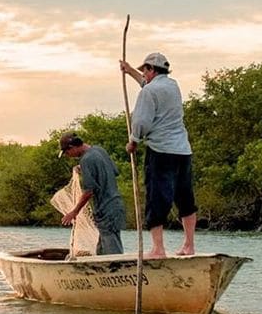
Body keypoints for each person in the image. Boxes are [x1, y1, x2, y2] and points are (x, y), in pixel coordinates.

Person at [119, 51, 197, 258]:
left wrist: (133, 142)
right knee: (185, 197)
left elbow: (141, 123)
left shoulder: (149, 91)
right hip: (182, 150)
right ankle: (189, 245)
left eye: (145, 70)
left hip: (161, 151)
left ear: (151, 70)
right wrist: (130, 71)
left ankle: (158, 249)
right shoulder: (173, 86)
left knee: (157, 197)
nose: (144, 74)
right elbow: (148, 85)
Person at [57, 132, 125, 255]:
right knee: (101, 251)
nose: (68, 156)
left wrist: (74, 212)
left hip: (106, 210)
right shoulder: (99, 150)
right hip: (116, 205)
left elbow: (89, 191)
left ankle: (120, 273)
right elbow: (114, 171)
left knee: (112, 253)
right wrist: (85, 169)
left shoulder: (86, 159)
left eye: (67, 153)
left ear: (72, 147)